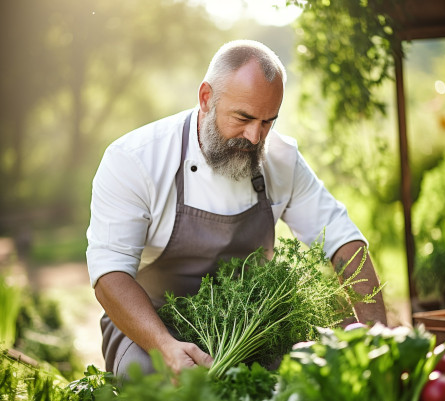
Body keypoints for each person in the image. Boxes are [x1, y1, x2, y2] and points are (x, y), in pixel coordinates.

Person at [86, 39, 387, 378]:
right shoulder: (134, 159)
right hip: (150, 325)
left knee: (308, 378)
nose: (255, 136)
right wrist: (166, 347)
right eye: (243, 118)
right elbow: (109, 274)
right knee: (154, 385)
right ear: (205, 98)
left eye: (268, 121)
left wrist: (377, 333)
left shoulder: (282, 159)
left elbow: (341, 238)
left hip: (250, 325)